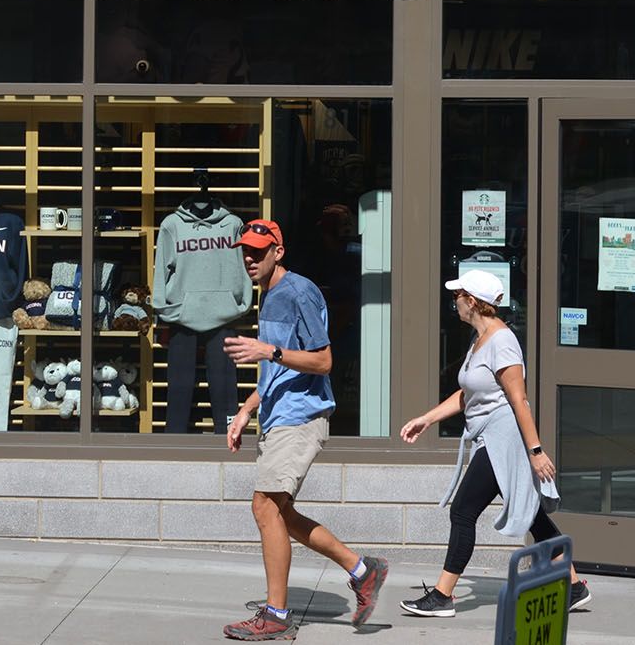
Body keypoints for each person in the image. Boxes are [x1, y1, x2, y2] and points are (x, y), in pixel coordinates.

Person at [221, 219, 389, 641]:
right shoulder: (270, 296)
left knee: (264, 507)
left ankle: (276, 615)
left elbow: (323, 361)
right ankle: (362, 570)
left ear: (279, 251)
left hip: (301, 418)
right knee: (282, 515)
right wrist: (246, 410)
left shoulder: (299, 292)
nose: (250, 258)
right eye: (246, 251)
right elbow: (275, 372)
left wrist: (267, 350)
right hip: (277, 416)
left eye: (259, 251)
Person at [396, 268, 593, 618]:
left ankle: (443, 596)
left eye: (457, 296)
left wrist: (534, 451)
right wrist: (427, 419)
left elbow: (519, 399)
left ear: (472, 302)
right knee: (531, 513)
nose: (454, 301)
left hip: (505, 439)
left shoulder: (502, 341)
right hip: (490, 436)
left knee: (463, 511)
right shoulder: (480, 340)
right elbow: (468, 394)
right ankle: (575, 587)